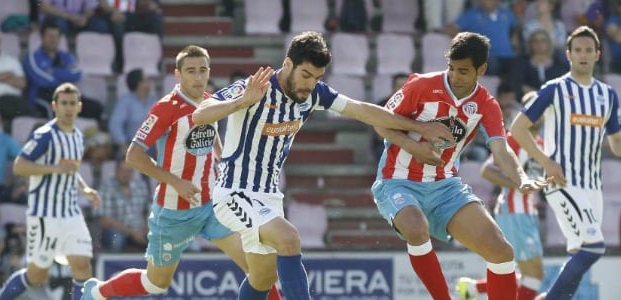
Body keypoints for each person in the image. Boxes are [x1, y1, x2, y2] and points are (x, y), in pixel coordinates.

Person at [192, 31, 456, 300]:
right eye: (305, 75)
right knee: (289, 238)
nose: (310, 84)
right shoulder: (255, 86)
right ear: (288, 64)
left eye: (317, 78)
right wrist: (242, 102)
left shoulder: (313, 94)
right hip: (234, 193)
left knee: (263, 278)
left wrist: (419, 127)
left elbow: (361, 110)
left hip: (269, 198)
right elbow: (200, 114)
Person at [81, 45, 281, 300]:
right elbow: (133, 156)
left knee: (259, 270)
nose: (198, 77)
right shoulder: (165, 108)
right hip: (174, 212)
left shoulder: (211, 102)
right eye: (191, 71)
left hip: (212, 205)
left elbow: (211, 135)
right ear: (178, 75)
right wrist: (176, 182)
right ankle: (96, 293)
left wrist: (222, 159)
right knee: (155, 283)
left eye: (202, 70)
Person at [369, 32, 549, 300]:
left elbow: (501, 149)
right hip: (398, 179)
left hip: (445, 186)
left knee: (501, 251)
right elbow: (380, 122)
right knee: (416, 228)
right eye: (451, 68)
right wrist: (415, 145)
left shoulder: (487, 104)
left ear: (482, 69)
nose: (455, 76)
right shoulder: (421, 85)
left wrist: (520, 178)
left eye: (463, 71)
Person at [510, 26, 621, 300]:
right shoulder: (554, 89)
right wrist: (546, 161)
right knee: (593, 247)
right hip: (563, 181)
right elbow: (518, 127)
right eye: (578, 50)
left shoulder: (608, 94)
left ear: (597, 54)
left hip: (593, 187)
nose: (583, 55)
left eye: (588, 50)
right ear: (569, 55)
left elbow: (616, 144)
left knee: (581, 253)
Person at [0, 82, 101, 300]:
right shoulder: (45, 135)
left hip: (70, 212)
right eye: (64, 103)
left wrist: (86, 189)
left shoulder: (78, 137)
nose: (68, 108)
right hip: (45, 215)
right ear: (55, 106)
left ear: (79, 106)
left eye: (72, 103)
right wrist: (54, 168)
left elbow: (71, 170)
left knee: (83, 266)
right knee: (37, 274)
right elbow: (19, 166)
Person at [456, 91, 546, 300]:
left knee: (527, 274)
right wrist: (518, 184)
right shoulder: (514, 139)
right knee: (534, 273)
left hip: (526, 211)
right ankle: (474, 289)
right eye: (533, 108)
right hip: (514, 211)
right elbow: (486, 170)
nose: (538, 113)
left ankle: (474, 289)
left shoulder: (540, 143)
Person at [22, 20, 104, 122]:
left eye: (56, 36)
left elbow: (76, 74)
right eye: (49, 36)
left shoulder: (66, 56)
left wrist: (53, 71)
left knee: (96, 108)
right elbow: (40, 80)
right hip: (42, 96)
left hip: (66, 94)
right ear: (42, 37)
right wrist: (64, 75)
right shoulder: (32, 57)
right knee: (54, 110)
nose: (53, 40)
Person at [96, 160, 150, 252]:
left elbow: (147, 212)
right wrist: (132, 233)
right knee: (116, 239)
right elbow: (104, 220)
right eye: (122, 170)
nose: (125, 174)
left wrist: (145, 229)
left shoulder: (141, 186)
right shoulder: (105, 188)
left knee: (158, 237)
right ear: (116, 171)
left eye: (128, 171)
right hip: (117, 230)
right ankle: (115, 266)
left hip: (140, 230)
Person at [108, 68, 157, 157]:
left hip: (154, 146)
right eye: (146, 81)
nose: (150, 83)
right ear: (139, 84)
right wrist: (122, 145)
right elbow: (115, 124)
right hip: (131, 145)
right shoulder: (125, 101)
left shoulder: (154, 100)